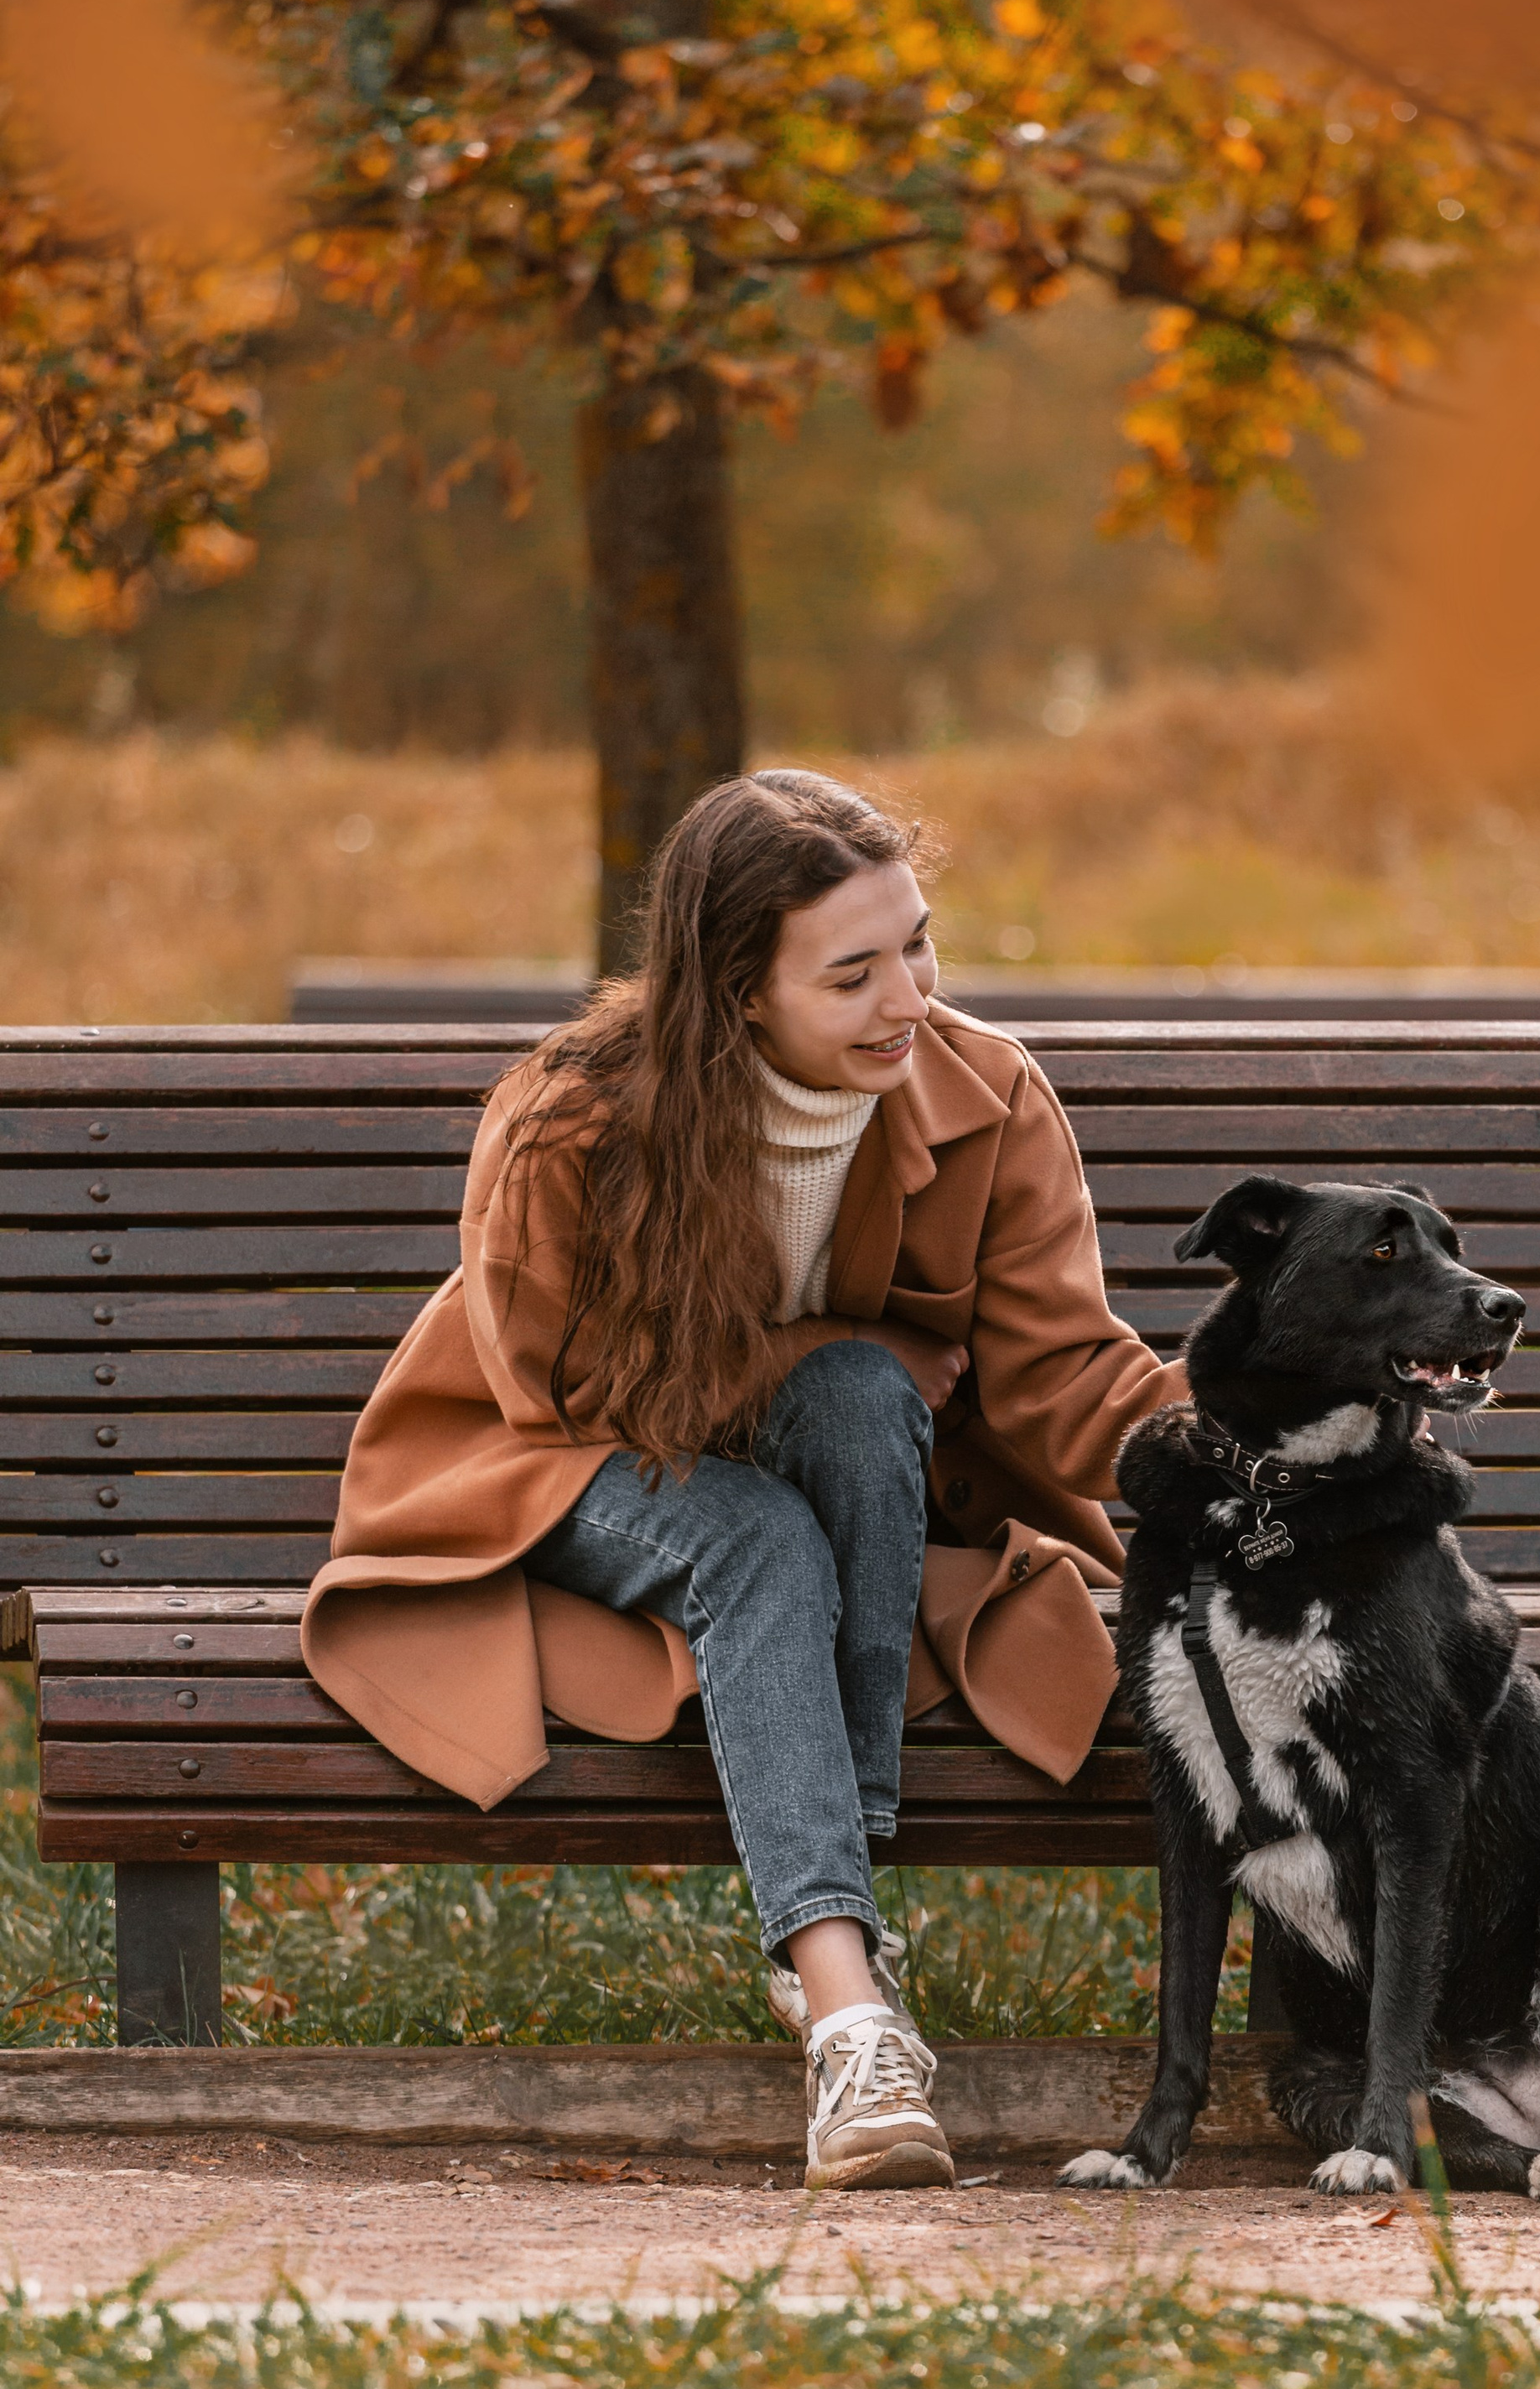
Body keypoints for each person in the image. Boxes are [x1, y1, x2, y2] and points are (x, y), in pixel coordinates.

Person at [301, 770, 1187, 2186]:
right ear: (738, 995)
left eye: (917, 944)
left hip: (834, 1475)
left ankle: (840, 1950)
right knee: (766, 1517)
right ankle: (849, 2017)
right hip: (557, 1466)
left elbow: (1061, 1374)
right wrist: (832, 1334)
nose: (908, 997)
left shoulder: (985, 1091)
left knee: (852, 1400)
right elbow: (564, 1388)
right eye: (854, 974)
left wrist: (1254, 1428)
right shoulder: (572, 1118)